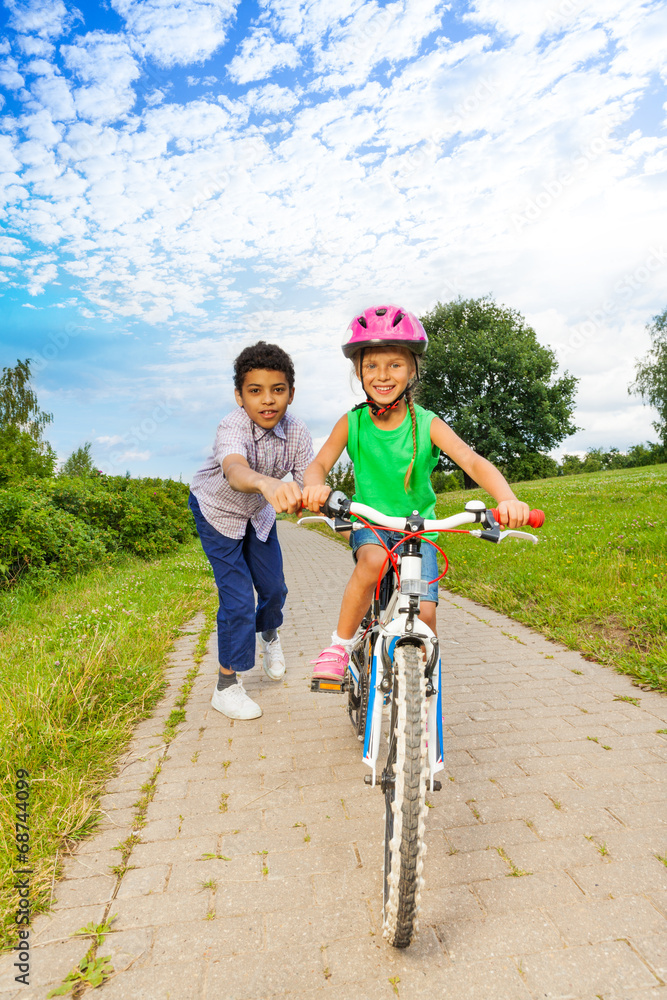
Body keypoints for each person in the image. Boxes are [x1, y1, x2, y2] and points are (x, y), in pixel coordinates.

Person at [301, 304, 530, 680]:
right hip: (370, 524)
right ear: (358, 371)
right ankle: (339, 646)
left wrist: (507, 498)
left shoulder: (427, 424)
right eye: (371, 365)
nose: (382, 375)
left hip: (417, 529)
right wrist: (314, 486)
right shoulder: (353, 422)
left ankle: (422, 688)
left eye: (394, 364)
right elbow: (320, 463)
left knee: (425, 613)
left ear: (412, 370)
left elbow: (471, 461)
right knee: (372, 563)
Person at [189, 341, 312, 719]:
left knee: (274, 589)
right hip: (217, 513)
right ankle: (226, 686)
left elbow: (312, 484)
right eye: (255, 391)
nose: (267, 401)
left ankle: (270, 635)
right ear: (240, 397)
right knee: (239, 599)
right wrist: (267, 484)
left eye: (277, 390)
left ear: (291, 393)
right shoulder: (232, 425)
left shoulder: (297, 432)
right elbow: (234, 469)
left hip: (258, 515)